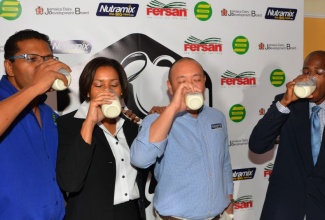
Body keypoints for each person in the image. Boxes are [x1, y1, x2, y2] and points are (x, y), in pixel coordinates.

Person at [130, 57, 234, 220]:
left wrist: (229, 199)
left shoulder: (217, 117)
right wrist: (173, 109)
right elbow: (140, 160)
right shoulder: (156, 120)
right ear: (170, 87)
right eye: (182, 81)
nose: (190, 86)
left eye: (197, 79)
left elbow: (225, 162)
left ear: (204, 82)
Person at [56, 57, 150, 220]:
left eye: (114, 85)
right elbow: (70, 182)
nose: (108, 91)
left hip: (130, 213)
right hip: (89, 214)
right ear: (87, 91)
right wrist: (90, 122)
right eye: (98, 85)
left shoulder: (131, 126)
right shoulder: (67, 124)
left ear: (121, 90)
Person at [0, 29, 71, 219]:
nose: (43, 66)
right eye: (32, 59)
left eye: (47, 59)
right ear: (9, 67)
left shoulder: (48, 113)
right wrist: (35, 87)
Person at [249, 50, 325, 220]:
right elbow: (257, 145)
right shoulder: (287, 104)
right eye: (306, 72)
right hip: (284, 206)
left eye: (318, 72)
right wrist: (284, 103)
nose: (310, 77)